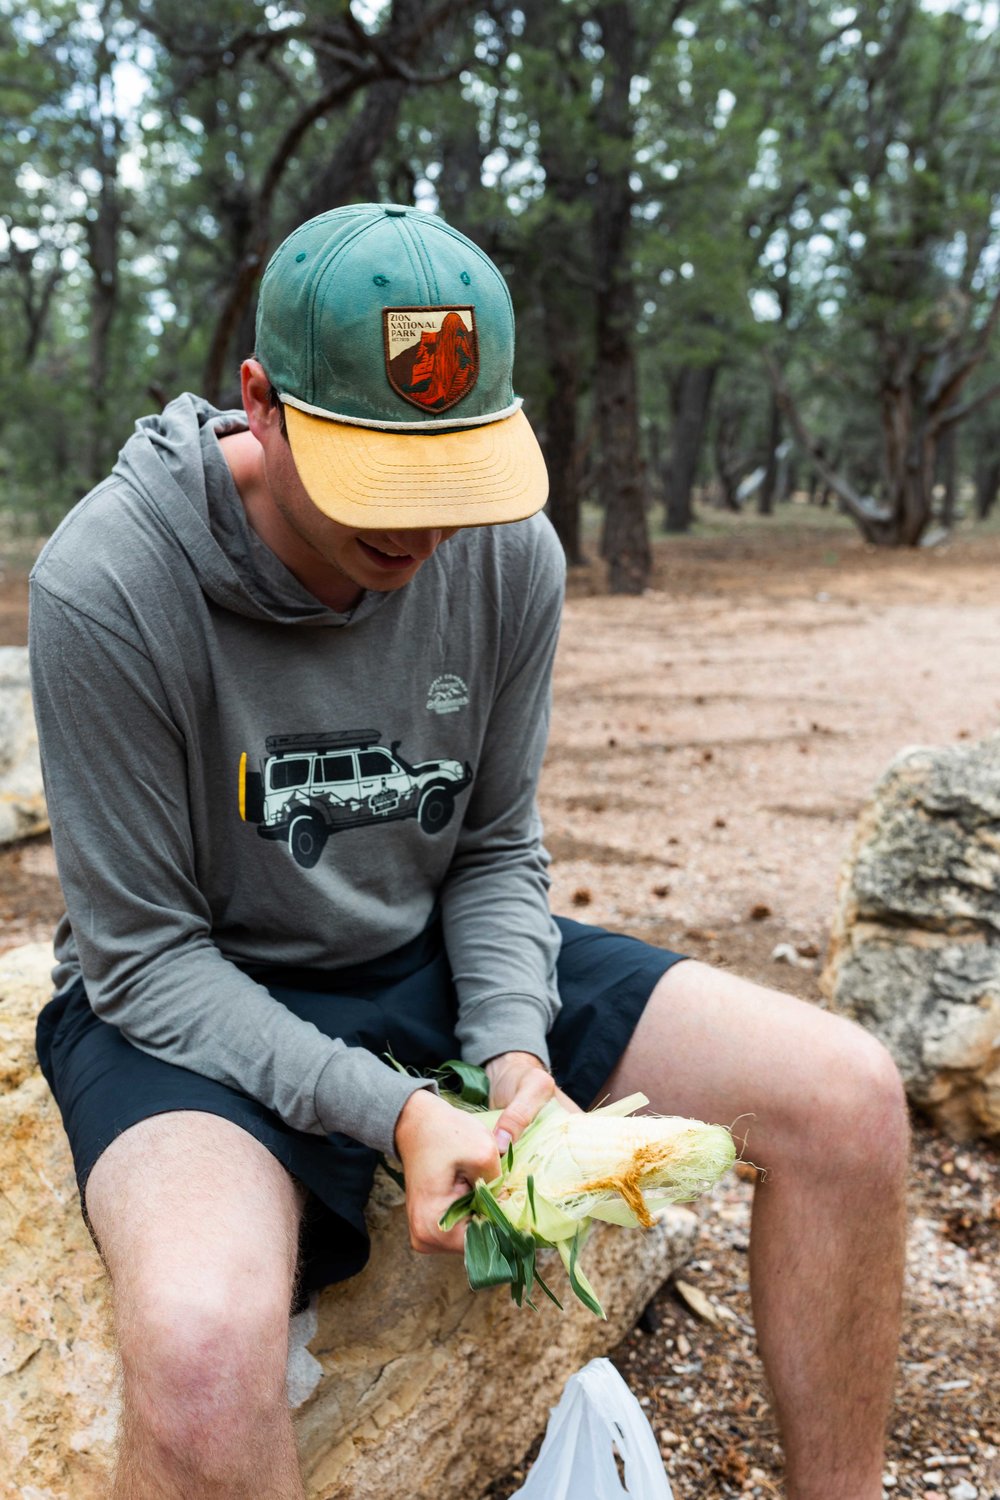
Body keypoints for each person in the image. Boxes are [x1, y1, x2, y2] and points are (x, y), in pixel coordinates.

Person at [29, 203, 909, 1500]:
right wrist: (393, 1114)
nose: (425, 533)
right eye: (382, 479)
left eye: (454, 475)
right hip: (195, 995)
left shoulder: (507, 553)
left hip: (424, 948)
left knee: (850, 1099)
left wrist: (513, 1053)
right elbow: (145, 960)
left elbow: (494, 843)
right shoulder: (108, 582)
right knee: (207, 1354)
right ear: (260, 405)